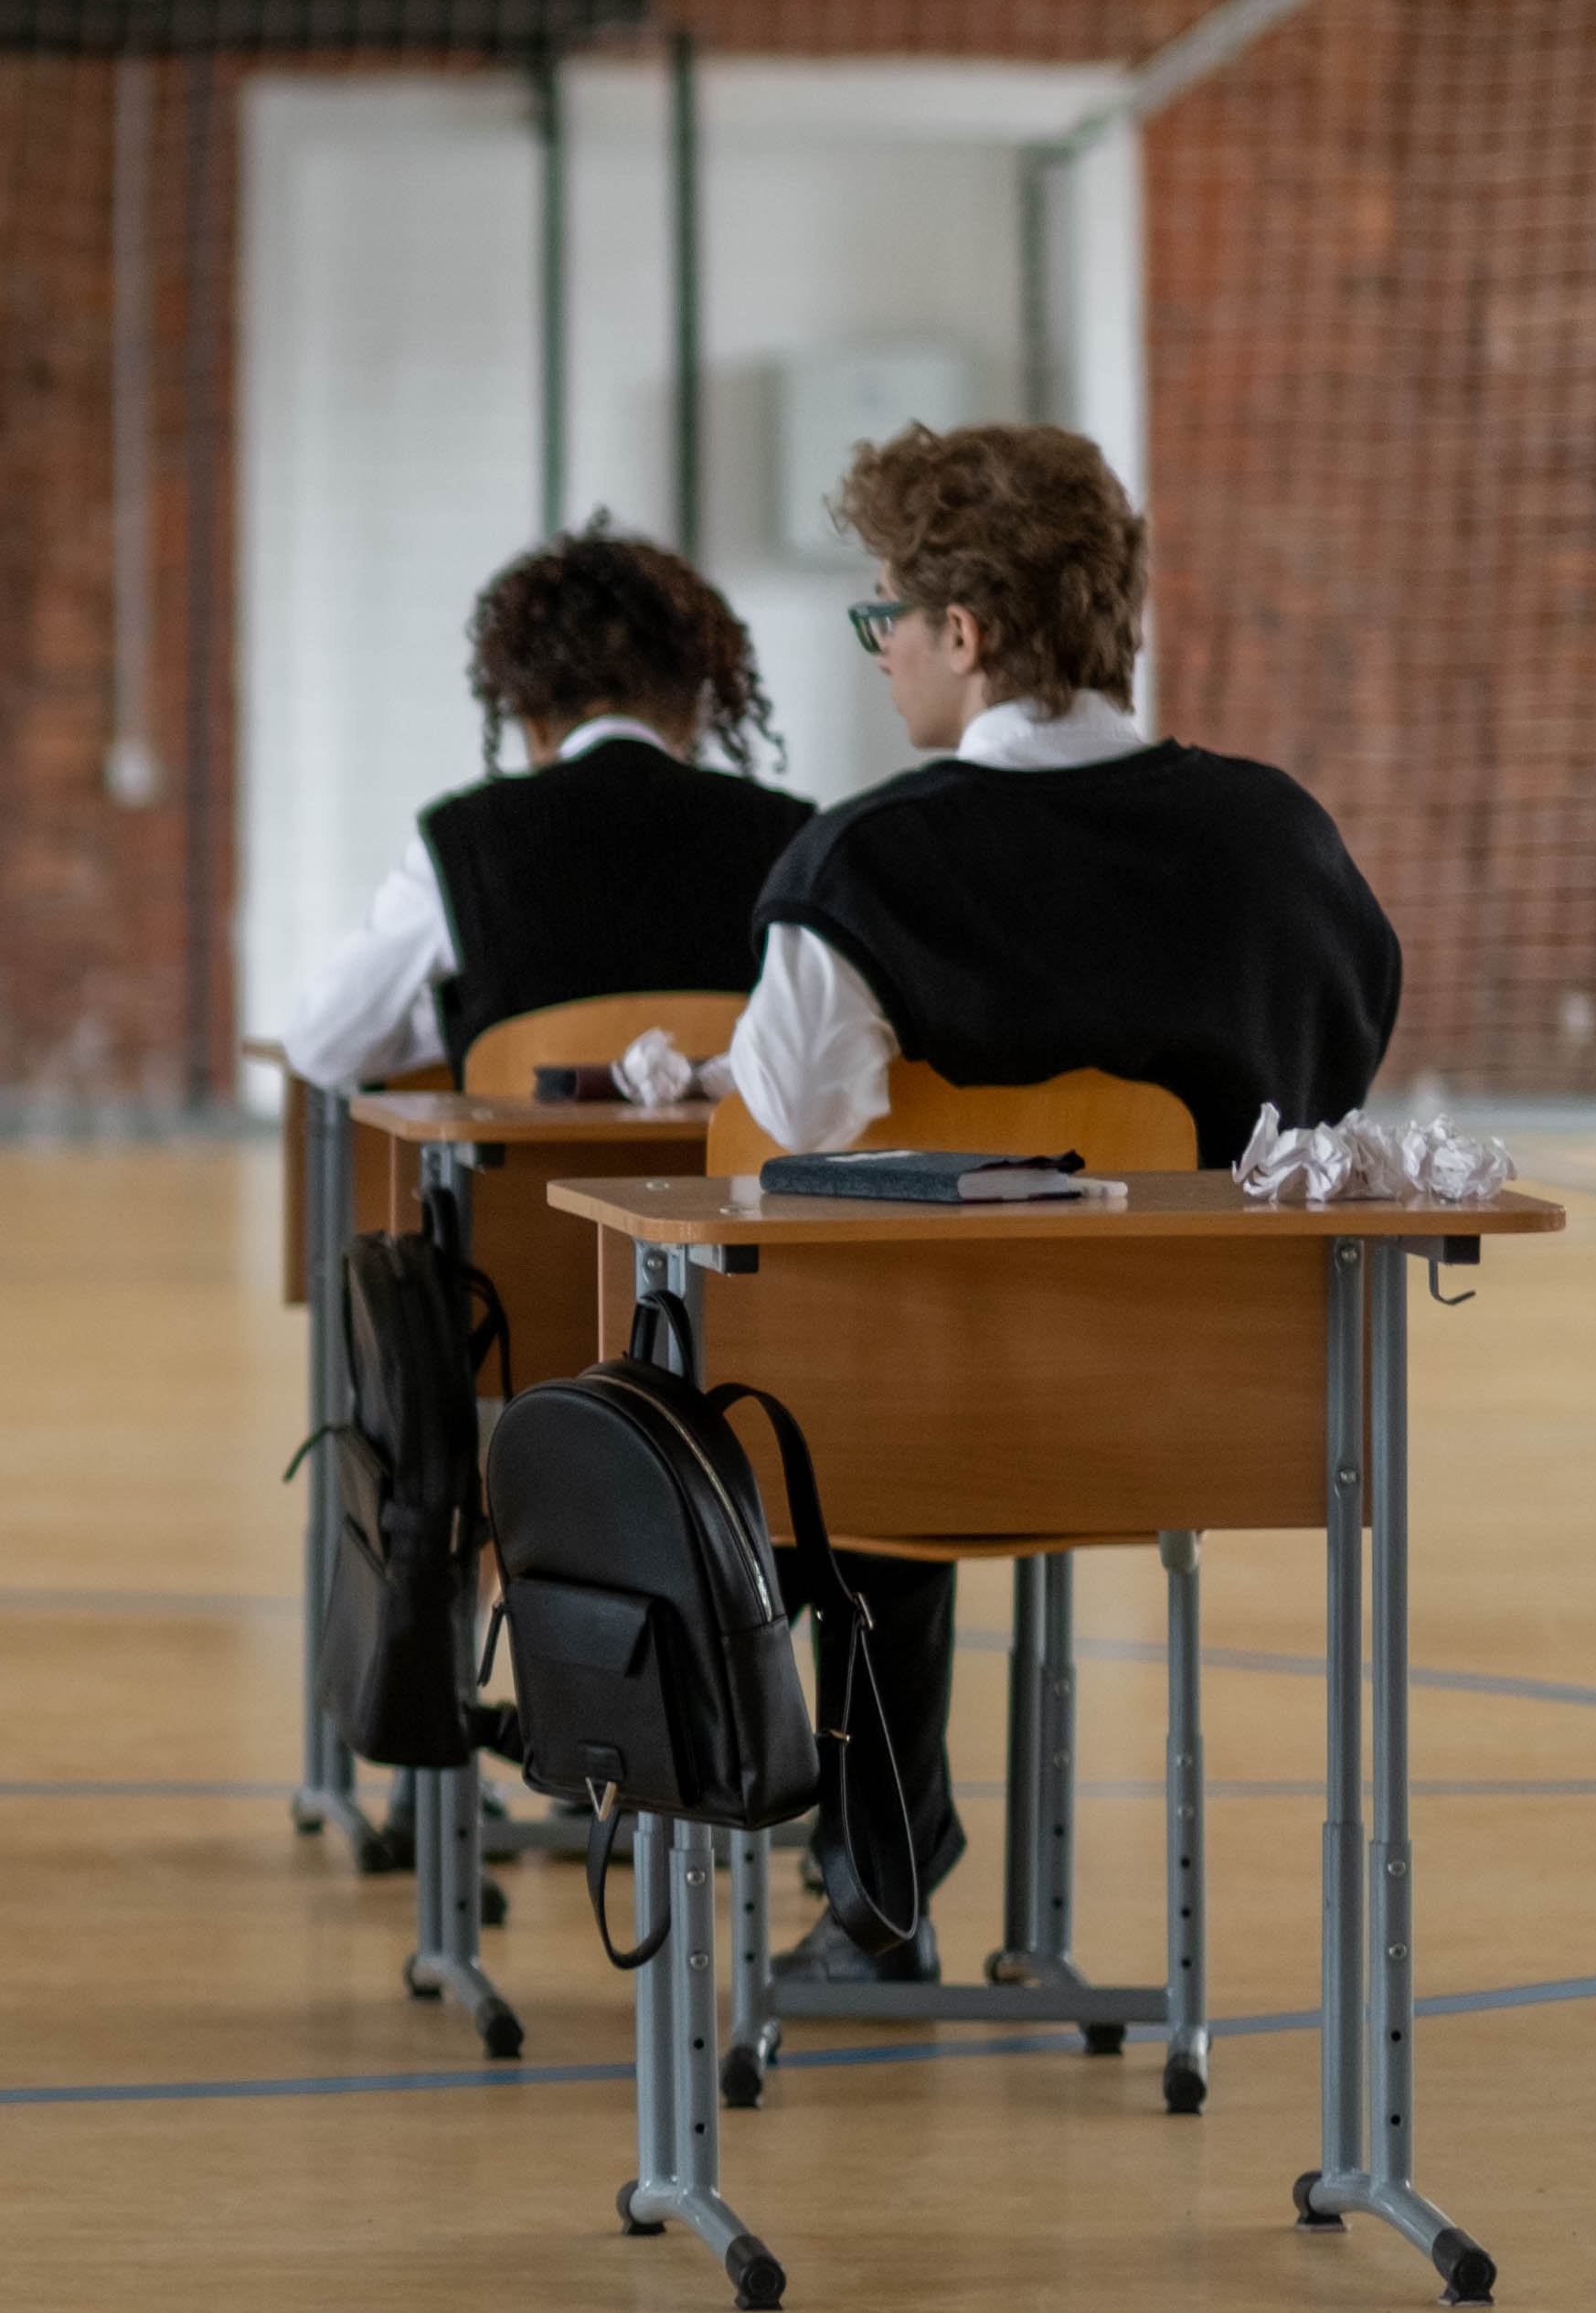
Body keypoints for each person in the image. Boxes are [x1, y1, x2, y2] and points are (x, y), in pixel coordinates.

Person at [730, 422, 1399, 1983]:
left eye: (879, 613)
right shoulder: (1279, 841)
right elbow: (1330, 1073)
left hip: (915, 1424)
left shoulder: (865, 862)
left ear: (958, 635)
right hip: (1205, 1420)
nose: (878, 649)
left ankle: (852, 1873)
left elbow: (781, 1121)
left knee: (832, 1385)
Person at [280, 520, 809, 1093]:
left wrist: (464, 1028)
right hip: (727, 1179)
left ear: (531, 721)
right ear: (690, 715)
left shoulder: (464, 841)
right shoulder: (792, 836)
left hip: (522, 1184)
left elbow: (322, 1045)